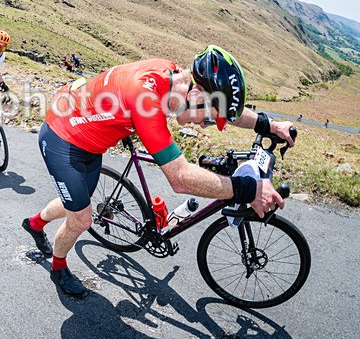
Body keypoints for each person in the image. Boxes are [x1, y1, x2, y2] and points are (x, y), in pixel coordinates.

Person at [22, 45, 295, 297]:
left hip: (90, 136)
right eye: (210, 119)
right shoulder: (147, 97)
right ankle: (58, 268)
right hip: (62, 139)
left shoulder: (176, 78)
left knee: (79, 200)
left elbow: (209, 108)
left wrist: (266, 124)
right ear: (198, 95)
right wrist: (248, 189)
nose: (204, 125)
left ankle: (35, 224)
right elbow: (179, 178)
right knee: (82, 219)